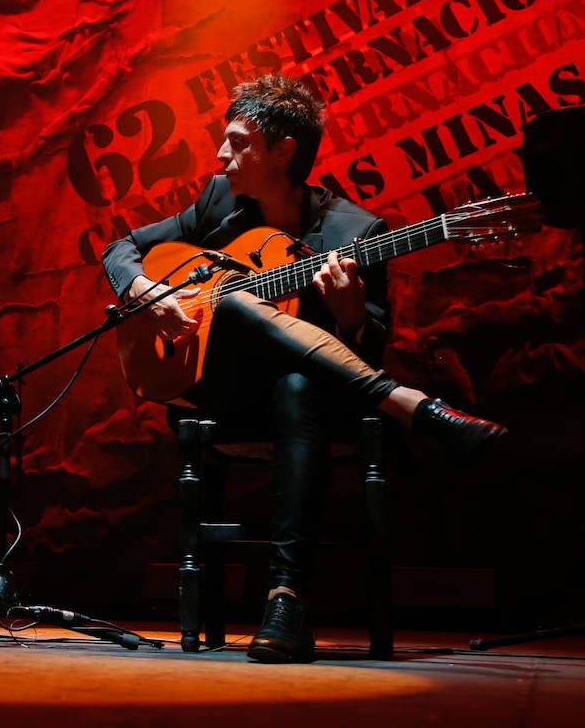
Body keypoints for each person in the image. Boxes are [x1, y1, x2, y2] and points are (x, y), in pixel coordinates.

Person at [101, 74, 505, 663]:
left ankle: (285, 599)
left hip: (315, 403)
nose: (221, 155)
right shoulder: (218, 202)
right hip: (223, 390)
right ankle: (414, 408)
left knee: (295, 381)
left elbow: (362, 348)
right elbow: (120, 249)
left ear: (283, 151)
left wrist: (349, 318)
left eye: (237, 142)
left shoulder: (356, 233)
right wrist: (144, 292)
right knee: (237, 299)